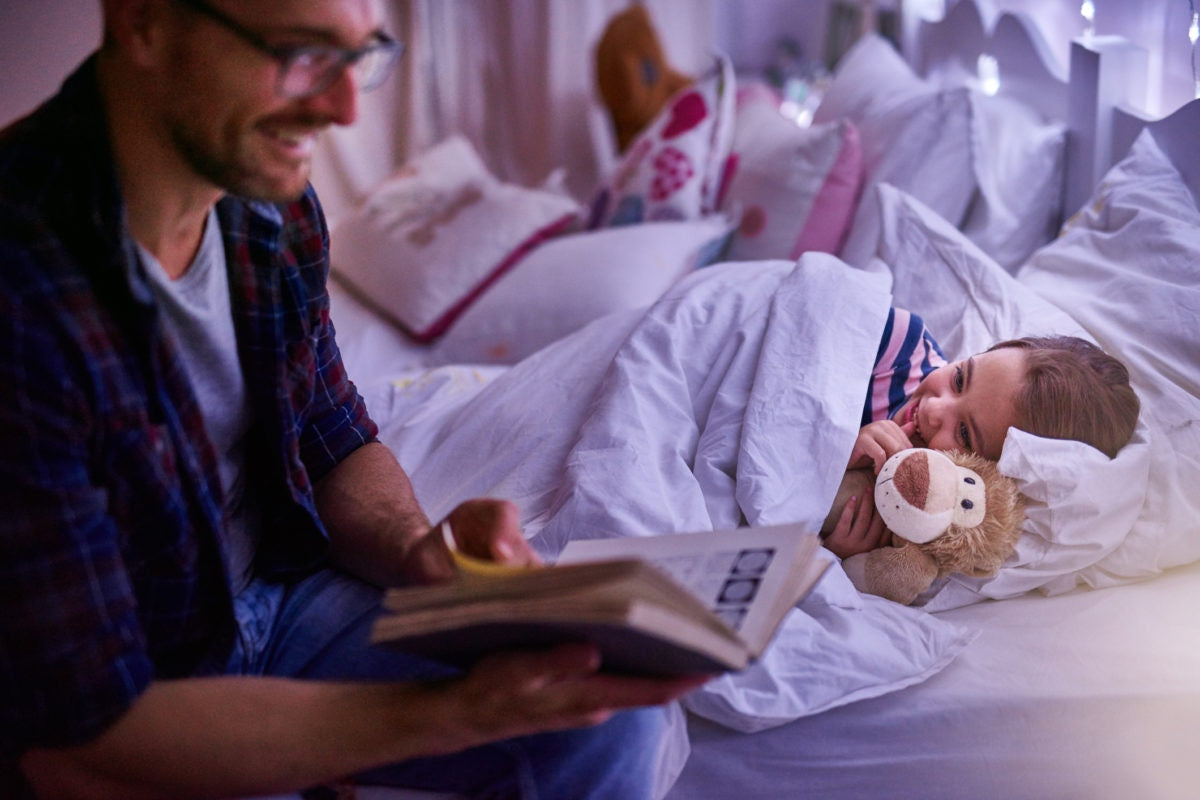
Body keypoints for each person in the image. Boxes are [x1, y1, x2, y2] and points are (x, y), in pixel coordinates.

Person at [0, 1, 704, 798]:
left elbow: (333, 437)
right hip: (147, 689)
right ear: (146, 22)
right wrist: (456, 714)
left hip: (278, 596)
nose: (343, 108)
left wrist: (417, 551)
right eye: (300, 53)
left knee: (603, 714)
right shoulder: (24, 290)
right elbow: (80, 740)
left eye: (358, 56)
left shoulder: (272, 204)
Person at [821, 309, 1140, 559]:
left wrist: (837, 554)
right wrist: (834, 446)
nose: (934, 409)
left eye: (964, 433)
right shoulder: (897, 345)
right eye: (960, 379)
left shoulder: (916, 515)